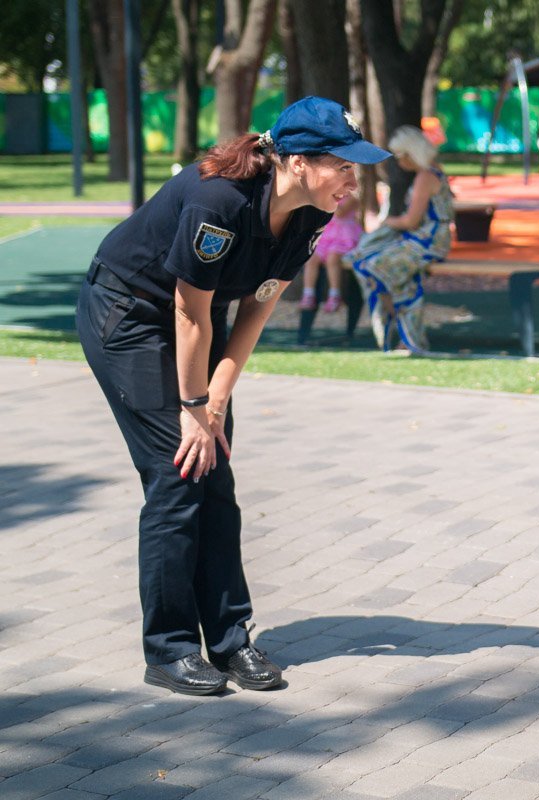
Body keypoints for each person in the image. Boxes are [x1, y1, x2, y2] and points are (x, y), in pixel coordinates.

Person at [75, 96, 391, 695]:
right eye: (343, 165)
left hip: (197, 322)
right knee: (178, 474)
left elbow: (258, 306)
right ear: (297, 161)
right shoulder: (218, 200)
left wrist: (214, 401)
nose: (354, 179)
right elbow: (187, 311)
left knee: (213, 469)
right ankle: (168, 650)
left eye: (356, 167)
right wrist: (194, 410)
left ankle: (228, 641)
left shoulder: (309, 214)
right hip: (128, 315)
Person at [349, 125, 455, 353]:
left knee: (370, 266)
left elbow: (411, 221)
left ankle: (397, 328)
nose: (398, 162)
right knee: (396, 278)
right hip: (428, 238)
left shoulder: (425, 177)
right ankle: (407, 337)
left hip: (428, 241)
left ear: (411, 153)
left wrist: (384, 222)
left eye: (399, 156)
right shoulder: (433, 171)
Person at [300, 193, 362, 313]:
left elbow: (339, 213)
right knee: (311, 258)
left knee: (332, 258)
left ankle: (335, 295)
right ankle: (308, 294)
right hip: (327, 236)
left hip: (344, 238)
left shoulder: (352, 200)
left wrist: (325, 198)